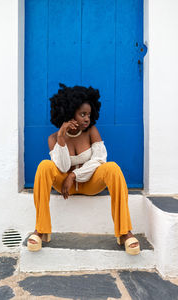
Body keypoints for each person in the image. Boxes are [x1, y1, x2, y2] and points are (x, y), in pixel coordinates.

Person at [27, 83, 140, 255]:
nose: (87, 118)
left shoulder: (91, 131)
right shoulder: (53, 138)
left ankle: (125, 232)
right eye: (82, 114)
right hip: (65, 187)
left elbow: (99, 159)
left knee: (113, 168)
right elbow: (62, 167)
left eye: (89, 114)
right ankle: (40, 229)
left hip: (89, 184)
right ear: (69, 113)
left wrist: (74, 175)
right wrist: (61, 138)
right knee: (44, 166)